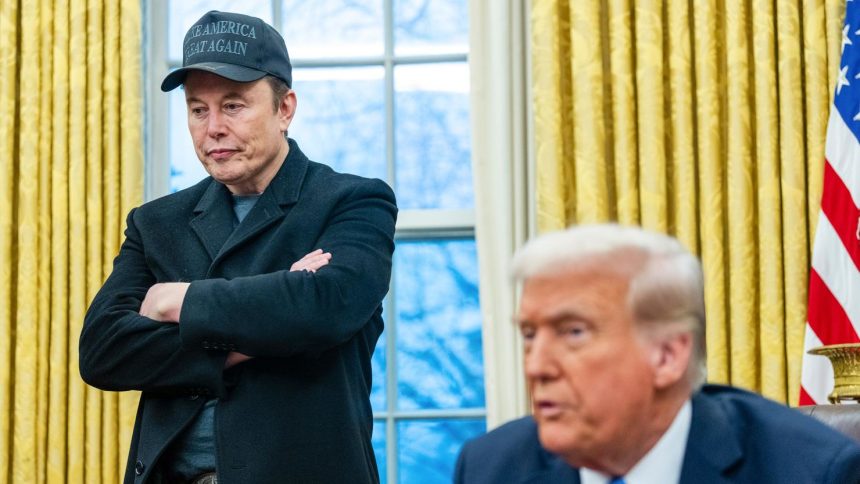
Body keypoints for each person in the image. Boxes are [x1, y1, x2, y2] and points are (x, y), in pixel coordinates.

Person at [79, 10, 396, 484]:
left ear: (285, 108)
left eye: (233, 105)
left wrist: (177, 299)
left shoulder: (353, 201)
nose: (213, 128)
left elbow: (327, 306)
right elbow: (104, 350)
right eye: (198, 109)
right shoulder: (157, 222)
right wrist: (262, 323)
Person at [454, 224, 860, 484]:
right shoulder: (491, 467)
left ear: (668, 355)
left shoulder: (808, 470)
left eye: (573, 332)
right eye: (528, 334)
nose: (536, 365)